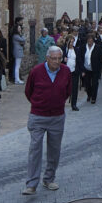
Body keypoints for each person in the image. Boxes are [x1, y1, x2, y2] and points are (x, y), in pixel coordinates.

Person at [22, 46, 71, 195]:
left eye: (59, 58)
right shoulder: (36, 71)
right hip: (38, 116)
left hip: (57, 117)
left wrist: (57, 103)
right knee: (35, 149)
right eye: (54, 58)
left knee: (54, 150)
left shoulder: (66, 71)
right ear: (47, 58)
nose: (57, 61)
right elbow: (28, 91)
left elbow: (68, 91)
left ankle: (49, 179)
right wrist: (39, 104)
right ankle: (31, 184)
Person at [80, 33, 102, 105]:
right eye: (88, 40)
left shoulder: (98, 47)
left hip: (95, 69)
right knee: (87, 84)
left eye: (91, 40)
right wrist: (82, 69)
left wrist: (101, 69)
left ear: (93, 40)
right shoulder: (83, 47)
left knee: (94, 84)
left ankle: (93, 97)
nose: (90, 41)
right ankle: (89, 95)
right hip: (86, 69)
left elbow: (101, 59)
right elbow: (81, 58)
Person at [63, 34, 79, 111]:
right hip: (65, 73)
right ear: (66, 42)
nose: (71, 43)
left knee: (74, 88)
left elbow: (79, 60)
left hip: (74, 72)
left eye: (72, 42)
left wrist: (80, 70)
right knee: (64, 88)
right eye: (70, 42)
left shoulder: (76, 49)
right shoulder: (63, 49)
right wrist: (63, 59)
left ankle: (74, 104)